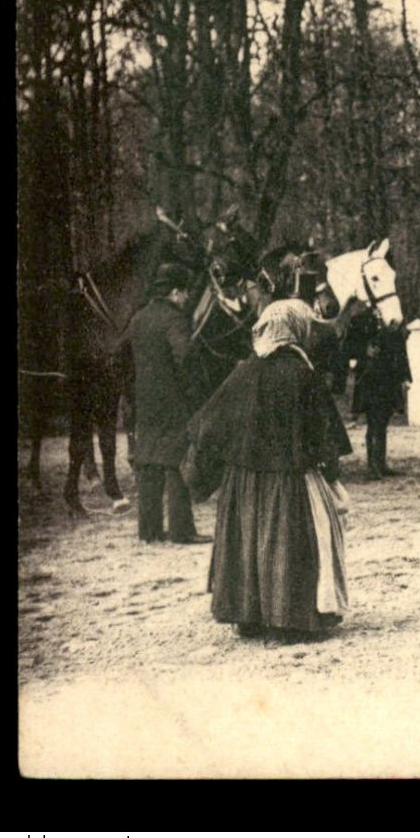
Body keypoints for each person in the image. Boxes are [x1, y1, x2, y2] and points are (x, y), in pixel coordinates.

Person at [185, 297, 355, 637]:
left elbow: (207, 424)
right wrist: (331, 472)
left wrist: (212, 466)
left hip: (243, 484)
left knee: (246, 544)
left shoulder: (243, 371)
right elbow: (322, 434)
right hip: (288, 482)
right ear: (296, 330)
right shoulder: (302, 374)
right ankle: (290, 620)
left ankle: (248, 617)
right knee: (289, 545)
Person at [128, 262, 207, 544]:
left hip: (144, 400)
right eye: (185, 293)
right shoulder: (175, 319)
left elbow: (122, 358)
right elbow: (184, 356)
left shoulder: (138, 318)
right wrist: (193, 392)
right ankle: (181, 530)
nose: (186, 299)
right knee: (177, 462)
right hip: (173, 400)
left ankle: (148, 531)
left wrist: (134, 392)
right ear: (175, 292)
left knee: (148, 461)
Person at [351, 314, 412, 479]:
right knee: (373, 421)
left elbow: (400, 348)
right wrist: (364, 351)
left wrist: (405, 375)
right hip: (370, 377)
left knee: (384, 419)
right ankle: (372, 466)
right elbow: (348, 344)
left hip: (389, 376)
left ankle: (381, 463)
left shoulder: (393, 317)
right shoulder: (361, 318)